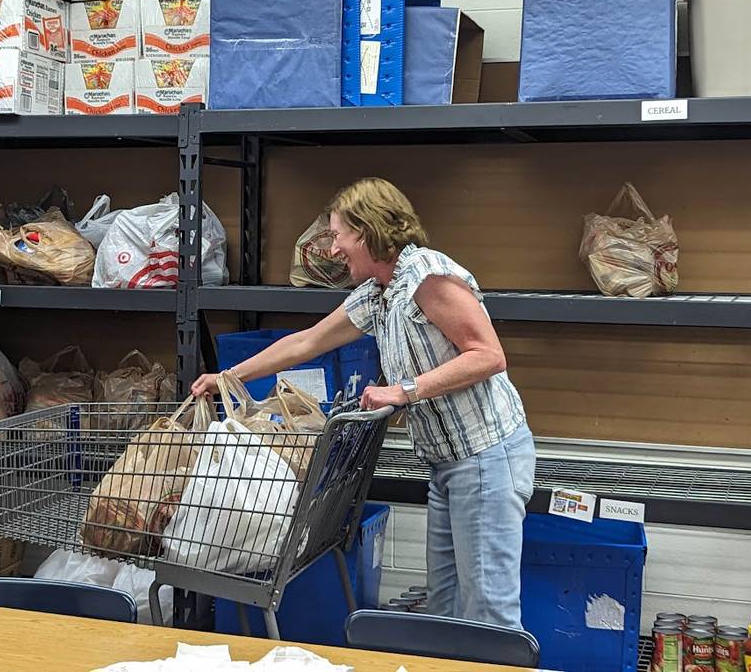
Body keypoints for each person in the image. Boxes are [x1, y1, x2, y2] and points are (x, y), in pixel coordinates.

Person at [191, 177, 535, 629]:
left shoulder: (427, 277)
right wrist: (227, 377)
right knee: (448, 610)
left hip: (486, 459)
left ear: (367, 230)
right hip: (447, 463)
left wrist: (403, 390)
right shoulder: (381, 292)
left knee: (490, 615)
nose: (333, 249)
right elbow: (306, 342)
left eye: (337, 236)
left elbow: (488, 355)